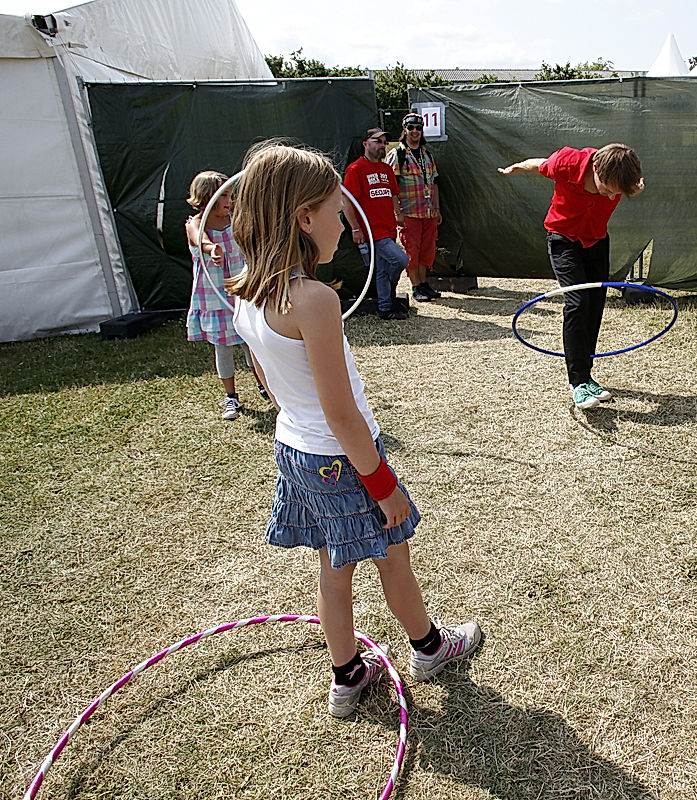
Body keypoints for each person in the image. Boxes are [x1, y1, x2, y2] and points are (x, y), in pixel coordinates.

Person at [227, 142, 481, 716]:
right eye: (337, 209)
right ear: (303, 218)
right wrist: (381, 481)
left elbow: (267, 382)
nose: (345, 221)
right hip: (341, 456)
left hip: (294, 449)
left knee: (334, 564)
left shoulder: (246, 291)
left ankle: (347, 675)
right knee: (394, 556)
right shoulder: (311, 300)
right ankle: (430, 647)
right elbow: (341, 415)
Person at [498, 144, 645, 409]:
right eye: (607, 187)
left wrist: (632, 187)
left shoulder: (623, 180)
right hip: (563, 239)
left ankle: (587, 376)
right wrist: (516, 167)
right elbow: (540, 163)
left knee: (595, 305)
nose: (611, 195)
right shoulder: (567, 162)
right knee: (578, 304)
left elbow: (631, 186)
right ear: (596, 168)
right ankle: (577, 382)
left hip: (597, 241)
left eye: (616, 191)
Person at [185, 170, 266, 420]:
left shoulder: (236, 219)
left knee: (251, 341)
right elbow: (201, 240)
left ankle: (264, 384)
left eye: (230, 195)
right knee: (223, 346)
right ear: (209, 196)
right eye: (226, 196)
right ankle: (231, 396)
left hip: (240, 289)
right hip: (214, 293)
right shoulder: (196, 224)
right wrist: (212, 249)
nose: (230, 201)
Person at [343, 128, 410, 320]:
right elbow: (347, 201)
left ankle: (385, 308)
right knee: (400, 260)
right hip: (372, 232)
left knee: (381, 270)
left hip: (388, 228)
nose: (382, 145)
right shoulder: (355, 169)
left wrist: (399, 214)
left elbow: (393, 194)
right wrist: (356, 228)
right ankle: (389, 293)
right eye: (377, 141)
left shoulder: (386, 169)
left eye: (384, 142)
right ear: (366, 144)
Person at [386, 112, 442, 302]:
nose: (415, 131)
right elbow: (391, 186)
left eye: (418, 128)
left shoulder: (426, 154)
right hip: (409, 211)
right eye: (411, 128)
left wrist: (437, 208)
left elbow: (434, 183)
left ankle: (424, 283)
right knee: (412, 249)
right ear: (405, 130)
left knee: (427, 249)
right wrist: (397, 212)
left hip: (428, 210)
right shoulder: (397, 155)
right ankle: (415, 286)